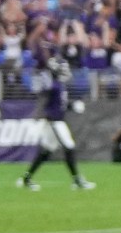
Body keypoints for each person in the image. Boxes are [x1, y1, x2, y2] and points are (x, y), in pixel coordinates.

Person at [16, 57, 94, 191]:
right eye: (63, 68)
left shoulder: (58, 85)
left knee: (46, 152)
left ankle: (26, 179)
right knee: (69, 147)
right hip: (55, 122)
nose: (65, 71)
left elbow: (60, 105)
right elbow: (44, 102)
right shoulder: (53, 86)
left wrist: (72, 105)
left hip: (55, 121)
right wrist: (41, 117)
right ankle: (77, 180)